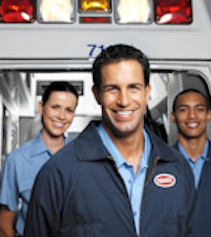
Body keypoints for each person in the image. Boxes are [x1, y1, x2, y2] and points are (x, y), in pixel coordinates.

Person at [24, 44, 196, 237]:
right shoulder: (58, 173)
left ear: (147, 92)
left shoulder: (178, 167)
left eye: (133, 87)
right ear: (97, 94)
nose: (123, 100)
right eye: (112, 89)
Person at [0, 81, 78, 237]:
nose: (61, 116)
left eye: (69, 110)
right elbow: (4, 227)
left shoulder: (82, 160)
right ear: (41, 107)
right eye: (55, 107)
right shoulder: (16, 160)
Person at [171, 88, 211, 236]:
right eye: (184, 110)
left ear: (208, 115)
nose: (192, 116)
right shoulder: (157, 165)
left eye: (199, 109)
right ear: (173, 117)